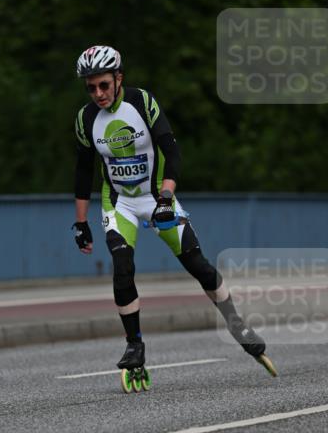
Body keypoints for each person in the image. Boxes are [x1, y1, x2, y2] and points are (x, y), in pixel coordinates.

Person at [71, 44, 276, 380]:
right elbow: (83, 172)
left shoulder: (142, 103)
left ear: (118, 78)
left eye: (104, 85)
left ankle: (236, 324)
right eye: (91, 87)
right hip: (119, 201)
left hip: (157, 196)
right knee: (122, 266)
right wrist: (80, 222)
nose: (98, 93)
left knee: (199, 266)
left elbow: (172, 151)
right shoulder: (85, 118)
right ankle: (134, 344)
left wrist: (166, 196)